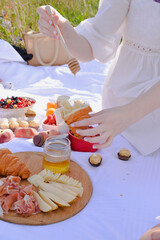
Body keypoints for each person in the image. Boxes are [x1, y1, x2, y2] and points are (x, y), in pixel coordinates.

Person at [37, 0, 160, 156]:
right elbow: (91, 48)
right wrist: (64, 29)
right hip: (116, 111)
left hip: (132, 116)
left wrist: (127, 115)